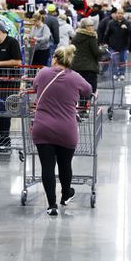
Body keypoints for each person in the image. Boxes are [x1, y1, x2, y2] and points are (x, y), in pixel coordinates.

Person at [31, 46, 93, 216]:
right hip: (66, 129)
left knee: (47, 167)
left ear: (55, 59)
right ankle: (66, 195)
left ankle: (51, 205)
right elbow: (88, 91)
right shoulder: (75, 78)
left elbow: (35, 86)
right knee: (65, 165)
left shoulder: (43, 73)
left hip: (42, 128)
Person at [71, 18, 101, 93]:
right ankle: (85, 104)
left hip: (76, 67)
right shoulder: (91, 37)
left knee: (78, 89)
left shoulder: (75, 37)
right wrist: (103, 50)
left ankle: (81, 104)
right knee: (90, 89)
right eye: (90, 25)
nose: (92, 27)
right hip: (89, 68)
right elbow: (96, 52)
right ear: (85, 27)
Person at [104, 8, 131, 79]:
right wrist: (105, 42)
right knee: (114, 59)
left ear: (123, 14)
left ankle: (122, 74)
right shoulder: (111, 23)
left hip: (123, 45)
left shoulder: (127, 23)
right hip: (113, 45)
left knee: (122, 60)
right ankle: (115, 73)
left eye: (121, 13)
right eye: (118, 13)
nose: (120, 15)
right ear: (116, 14)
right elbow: (107, 34)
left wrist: (127, 28)